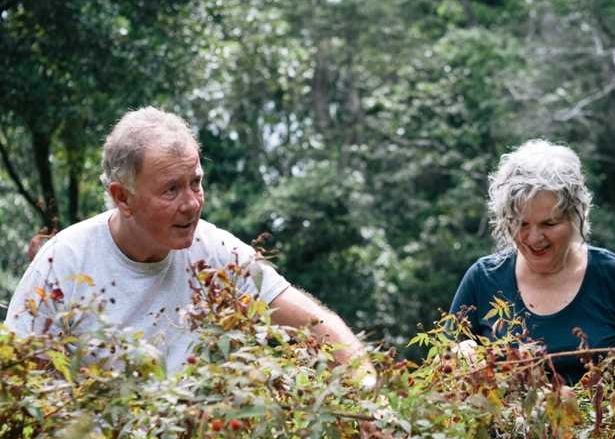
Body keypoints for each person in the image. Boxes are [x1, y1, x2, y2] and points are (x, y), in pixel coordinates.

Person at [3, 107, 370, 377]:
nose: (192, 203)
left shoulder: (215, 251)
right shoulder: (63, 263)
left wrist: (368, 390)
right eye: (171, 189)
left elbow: (314, 324)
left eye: (195, 182)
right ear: (123, 197)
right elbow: (14, 380)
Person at [448, 139, 615, 384]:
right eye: (521, 224)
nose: (534, 238)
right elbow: (442, 372)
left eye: (549, 224)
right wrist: (460, 354)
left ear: (576, 215)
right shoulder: (483, 279)